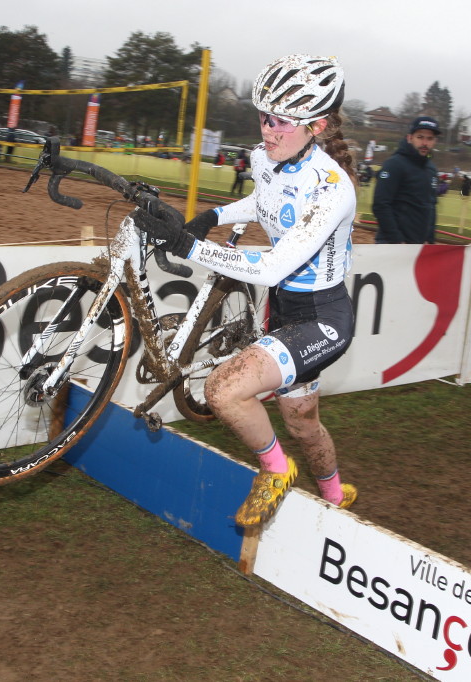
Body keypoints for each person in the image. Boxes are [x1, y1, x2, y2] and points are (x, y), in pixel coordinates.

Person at [132, 54, 358, 527]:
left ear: (316, 126)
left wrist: (189, 244)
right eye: (264, 118)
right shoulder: (265, 158)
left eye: (281, 122)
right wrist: (214, 216)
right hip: (283, 310)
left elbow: (274, 265)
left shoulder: (332, 189)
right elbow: (263, 200)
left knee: (224, 389)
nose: (268, 131)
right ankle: (336, 496)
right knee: (302, 422)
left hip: (322, 317)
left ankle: (277, 471)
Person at [372, 115, 441, 244]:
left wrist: (429, 240)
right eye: (420, 137)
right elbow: (381, 205)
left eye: (430, 138)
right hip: (392, 245)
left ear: (434, 141)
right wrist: (397, 241)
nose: (425, 143)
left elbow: (431, 206)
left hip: (418, 247)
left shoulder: (431, 169)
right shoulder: (394, 164)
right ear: (410, 138)